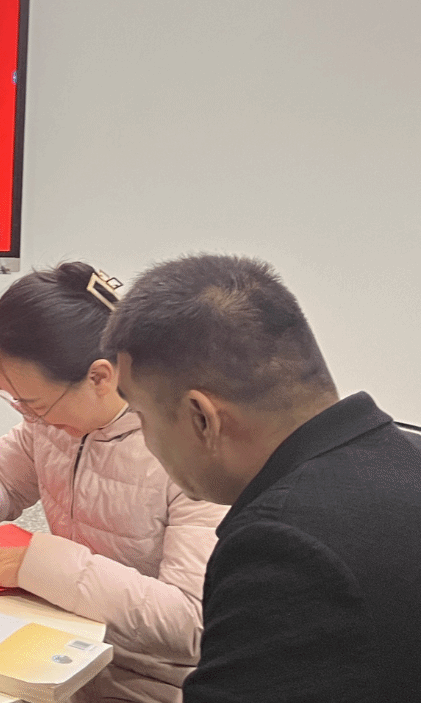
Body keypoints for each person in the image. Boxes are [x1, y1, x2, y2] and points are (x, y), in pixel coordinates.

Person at [102, 254, 421, 703]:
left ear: (202, 418)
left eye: (139, 414)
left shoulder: (283, 548)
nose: (146, 439)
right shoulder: (403, 454)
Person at [0, 262, 225, 703]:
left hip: (147, 681)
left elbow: (190, 622)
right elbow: (2, 474)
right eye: (14, 400)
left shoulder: (191, 454)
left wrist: (41, 566)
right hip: (59, 648)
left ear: (100, 377)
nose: (29, 416)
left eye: (33, 403)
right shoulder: (53, 425)